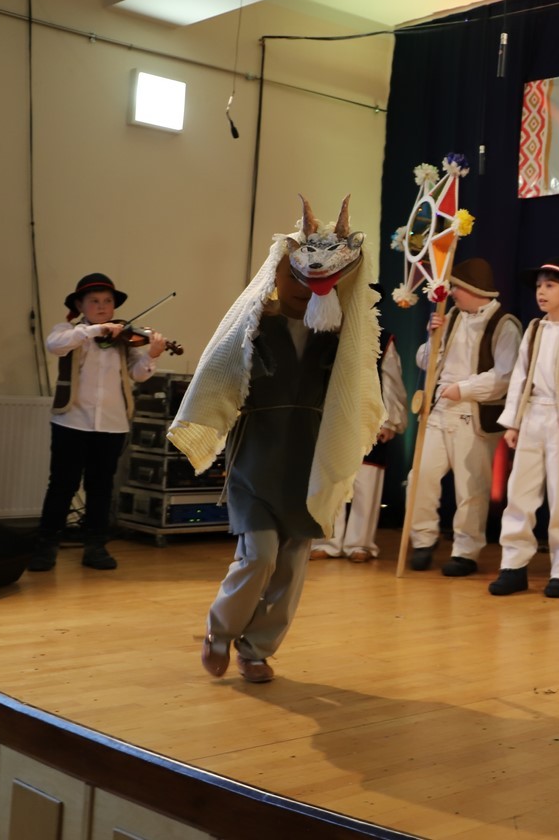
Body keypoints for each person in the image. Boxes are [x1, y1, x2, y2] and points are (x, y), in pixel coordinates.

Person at [170, 196, 383, 684]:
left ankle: (257, 648)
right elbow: (219, 374)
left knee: (291, 563)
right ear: (277, 275)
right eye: (295, 277)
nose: (305, 289)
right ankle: (220, 631)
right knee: (260, 553)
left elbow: (355, 386)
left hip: (308, 457)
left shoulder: (339, 337)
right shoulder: (253, 326)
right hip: (258, 457)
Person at [31, 273, 167, 572]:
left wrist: (152, 355)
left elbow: (138, 374)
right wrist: (94, 330)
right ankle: (45, 547)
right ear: (80, 305)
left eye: (107, 301)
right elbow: (55, 345)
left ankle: (96, 547)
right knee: (62, 485)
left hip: (112, 425)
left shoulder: (123, 339)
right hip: (71, 421)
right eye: (94, 301)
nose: (102, 306)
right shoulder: (69, 331)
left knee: (101, 487)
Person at [404, 257, 521, 574]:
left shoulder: (504, 324)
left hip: (473, 414)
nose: (452, 293)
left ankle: (466, 551)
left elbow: (505, 377)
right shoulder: (451, 316)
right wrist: (433, 338)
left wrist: (464, 389)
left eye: (456, 287)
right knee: (419, 477)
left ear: (473, 289)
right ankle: (423, 539)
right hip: (440, 411)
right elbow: (425, 362)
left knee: (471, 487)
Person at [490, 257, 559, 599]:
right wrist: (514, 421)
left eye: (550, 286)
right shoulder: (534, 329)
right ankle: (513, 565)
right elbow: (521, 377)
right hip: (533, 416)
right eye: (539, 286)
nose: (541, 292)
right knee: (519, 494)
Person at [311, 333, 408, 562]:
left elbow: (391, 381)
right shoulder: (328, 335)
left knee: (366, 482)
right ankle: (327, 541)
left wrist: (389, 421)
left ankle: (360, 543)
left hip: (368, 419)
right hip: (334, 417)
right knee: (332, 482)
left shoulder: (381, 339)